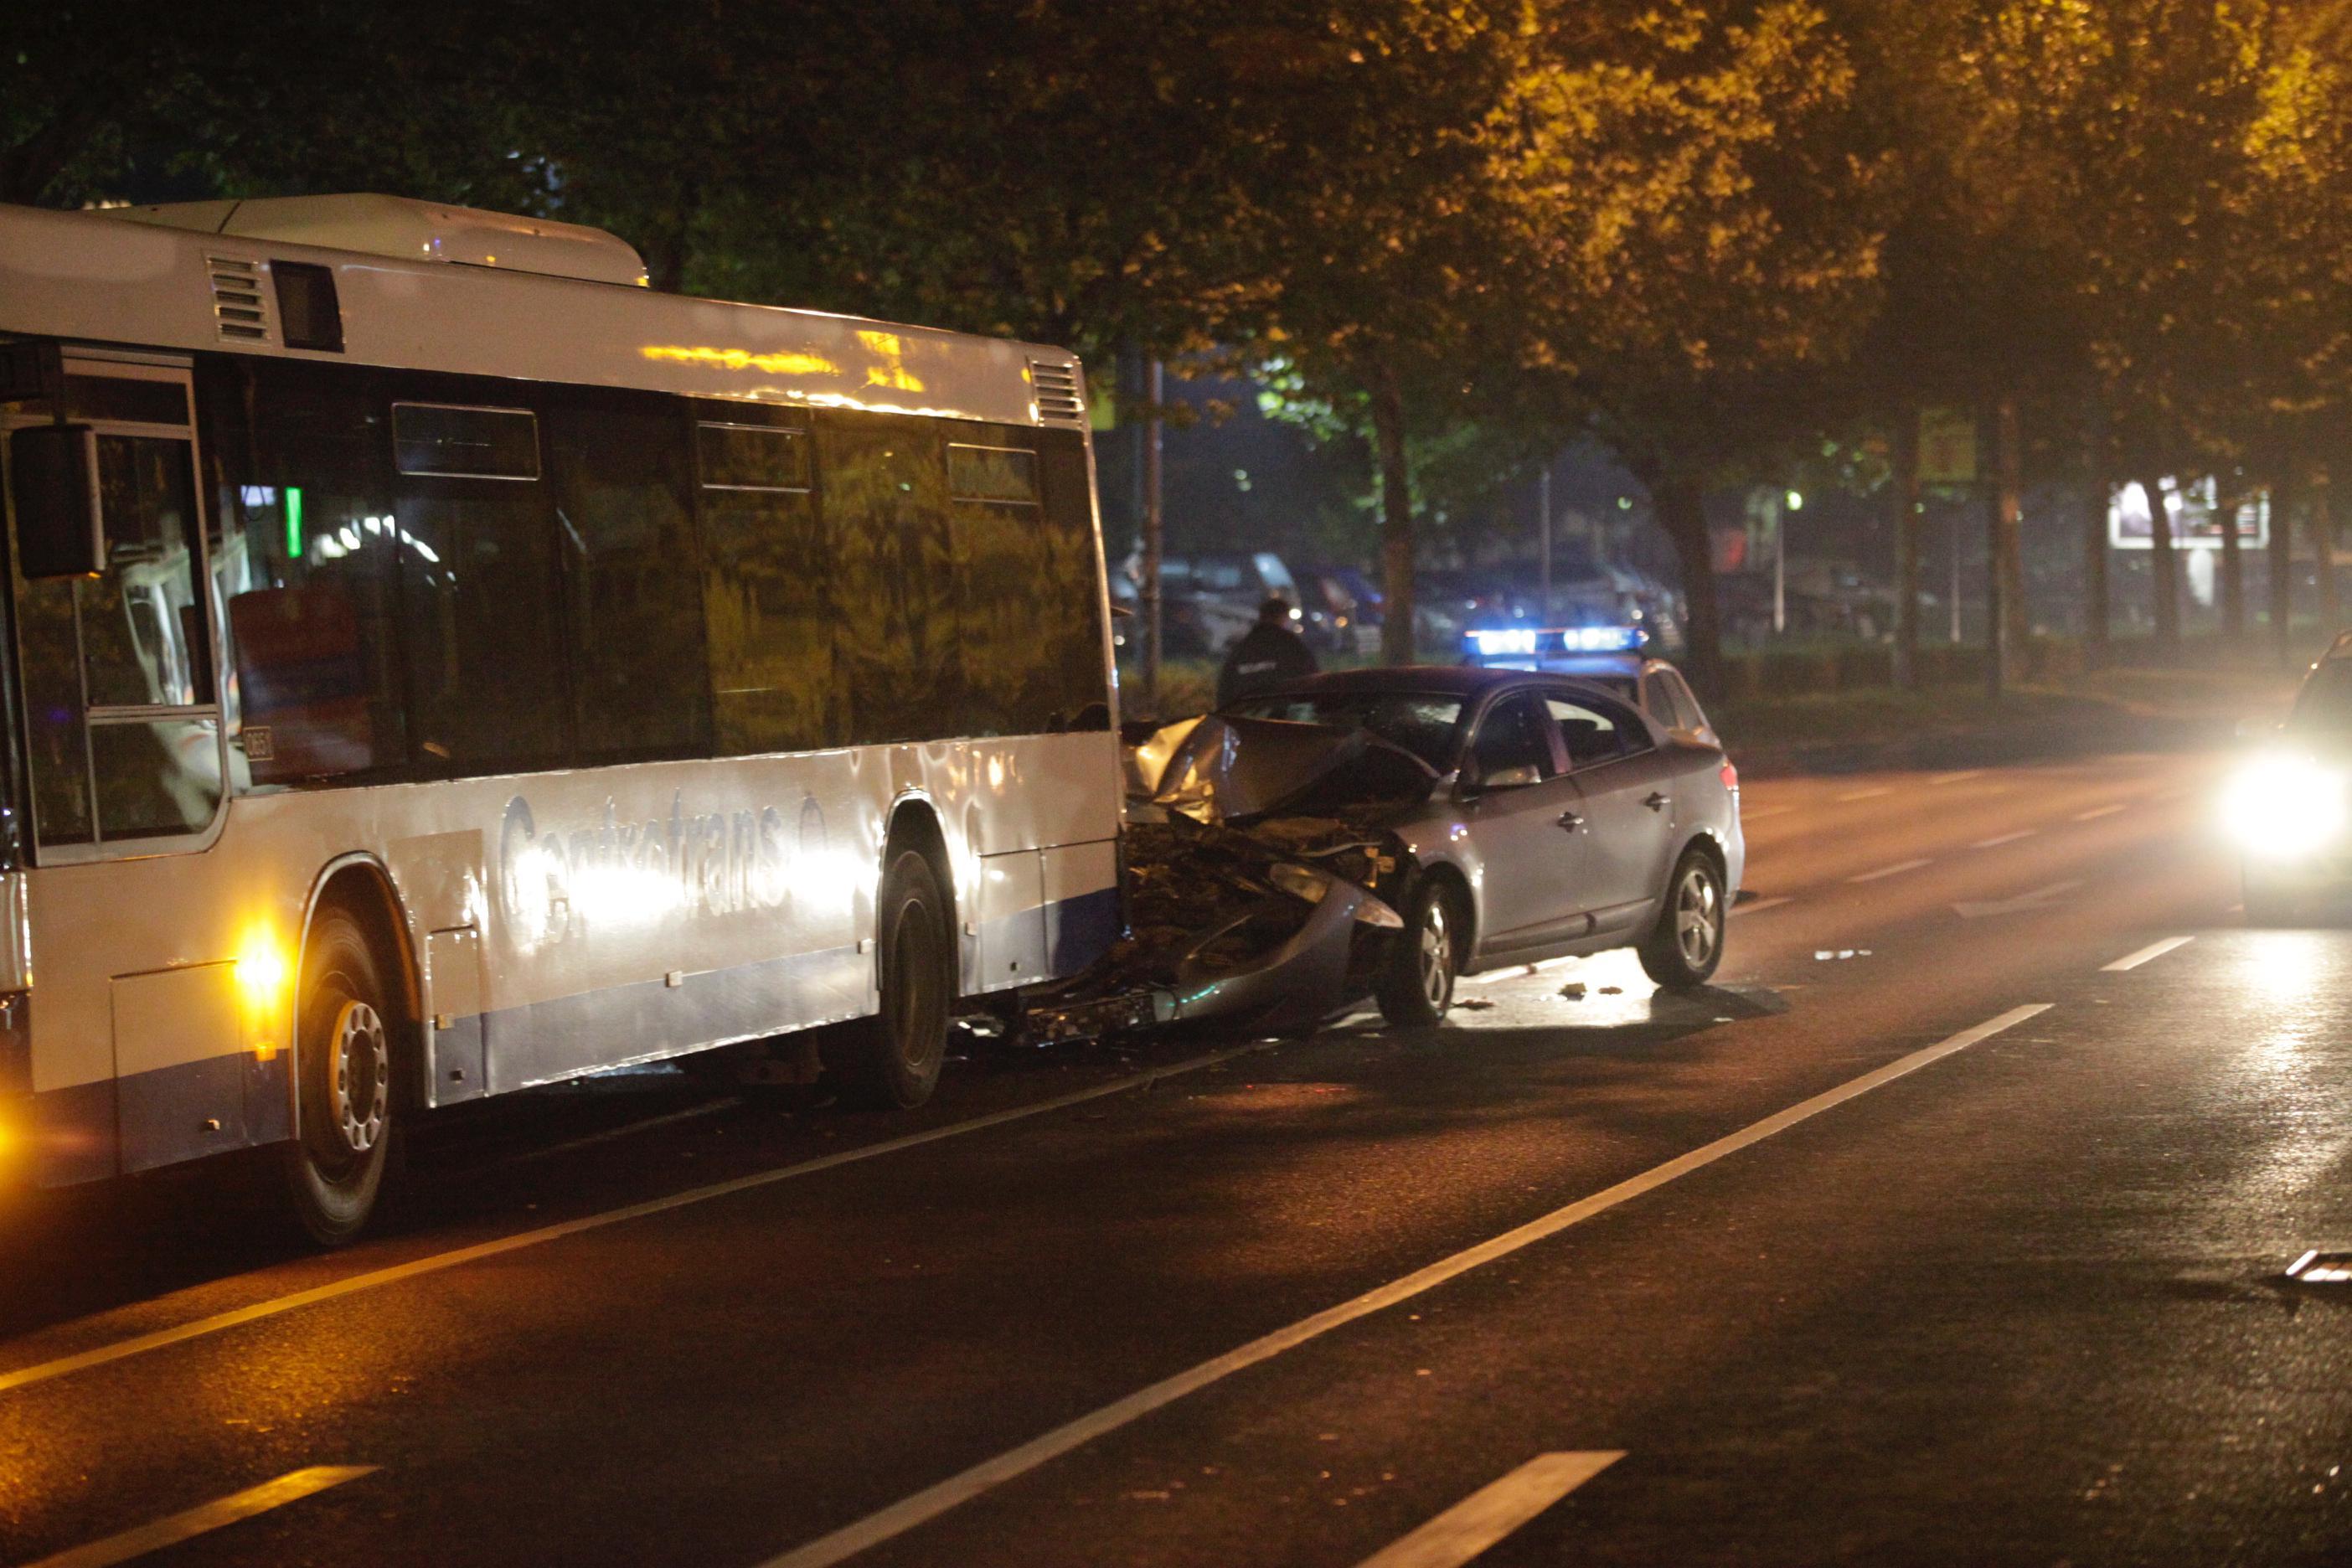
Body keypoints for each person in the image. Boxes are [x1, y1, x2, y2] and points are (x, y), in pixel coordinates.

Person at [1217, 596, 1319, 706]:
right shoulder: (1291, 645)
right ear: (1283, 617)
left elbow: (1225, 693)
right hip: (1283, 716)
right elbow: (1313, 682)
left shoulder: (1242, 648)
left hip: (1247, 718)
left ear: (1261, 616)